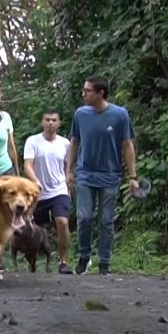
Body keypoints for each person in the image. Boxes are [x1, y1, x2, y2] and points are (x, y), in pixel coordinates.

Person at [66, 76, 138, 275]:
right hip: (85, 173)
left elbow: (127, 145)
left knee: (106, 220)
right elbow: (74, 142)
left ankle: (104, 262)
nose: (83, 94)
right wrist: (69, 170)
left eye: (87, 91)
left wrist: (133, 177)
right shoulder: (80, 114)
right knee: (84, 217)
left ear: (101, 93)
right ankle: (84, 257)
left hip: (110, 174)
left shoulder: (120, 115)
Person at [23, 109, 73, 274]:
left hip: (59, 190)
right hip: (39, 193)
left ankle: (63, 261)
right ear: (42, 122)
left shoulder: (65, 143)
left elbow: (67, 166)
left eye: (54, 120)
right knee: (35, 228)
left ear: (59, 124)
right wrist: (35, 181)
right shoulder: (33, 141)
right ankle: (32, 262)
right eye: (47, 120)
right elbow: (28, 165)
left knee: (62, 222)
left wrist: (69, 183)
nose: (50, 123)